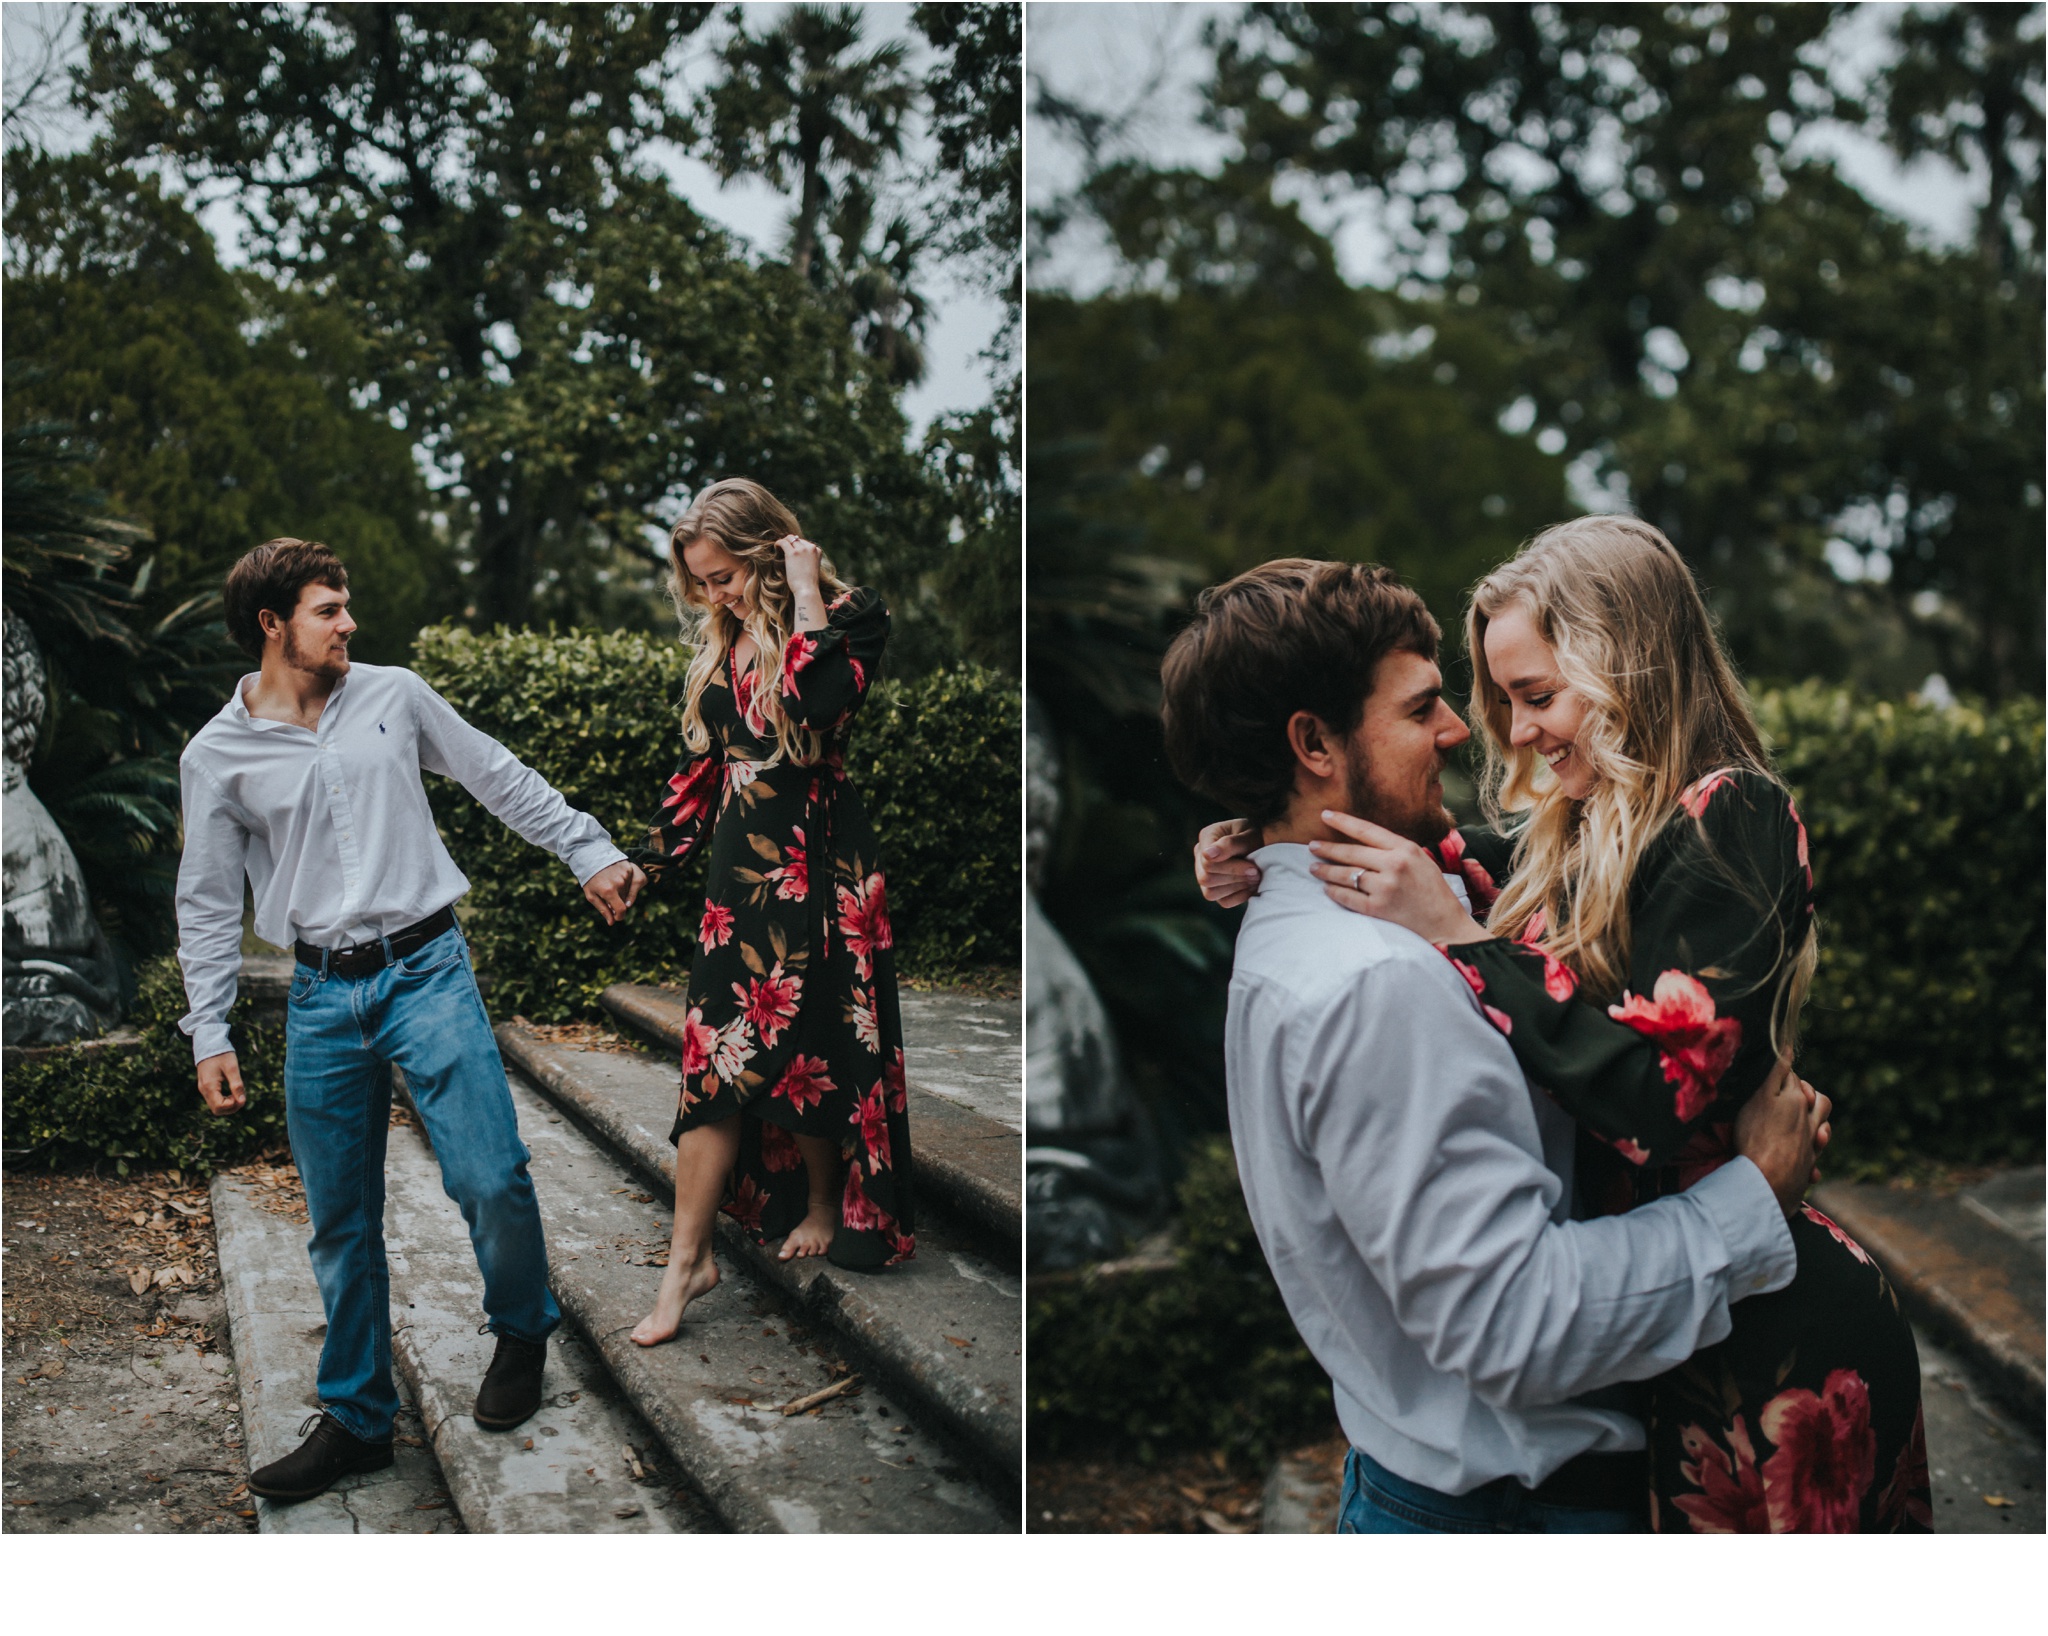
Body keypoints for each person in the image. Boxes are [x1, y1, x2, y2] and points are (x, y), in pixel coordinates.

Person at [1194, 525, 1930, 1532]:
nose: (1503, 727)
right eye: (1498, 698)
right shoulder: (1586, 823)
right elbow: (1462, 864)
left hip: (1768, 1350)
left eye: (1536, 694)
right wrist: (1271, 830)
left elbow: (1658, 1101)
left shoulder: (1732, 816)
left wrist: (1454, 932)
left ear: (1625, 668)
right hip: (1658, 1339)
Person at [175, 538, 644, 1503]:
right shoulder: (216, 755)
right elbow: (208, 901)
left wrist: (586, 848)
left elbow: (496, 775)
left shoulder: (395, 695)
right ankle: (356, 1418)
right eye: (327, 610)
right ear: (272, 625)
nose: (349, 624)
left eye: (347, 606)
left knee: (490, 1173)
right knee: (339, 1221)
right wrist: (209, 1030)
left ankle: (520, 1329)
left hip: (426, 970)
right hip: (317, 998)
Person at [623, 478, 913, 1349]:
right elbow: (704, 772)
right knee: (715, 1058)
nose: (714, 595)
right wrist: (648, 860)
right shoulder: (721, 640)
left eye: (726, 575)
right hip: (738, 872)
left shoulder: (851, 617)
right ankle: (687, 1260)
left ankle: (827, 1201)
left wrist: (805, 591)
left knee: (814, 1040)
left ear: (766, 550)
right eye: (701, 582)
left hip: (821, 863)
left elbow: (822, 704)